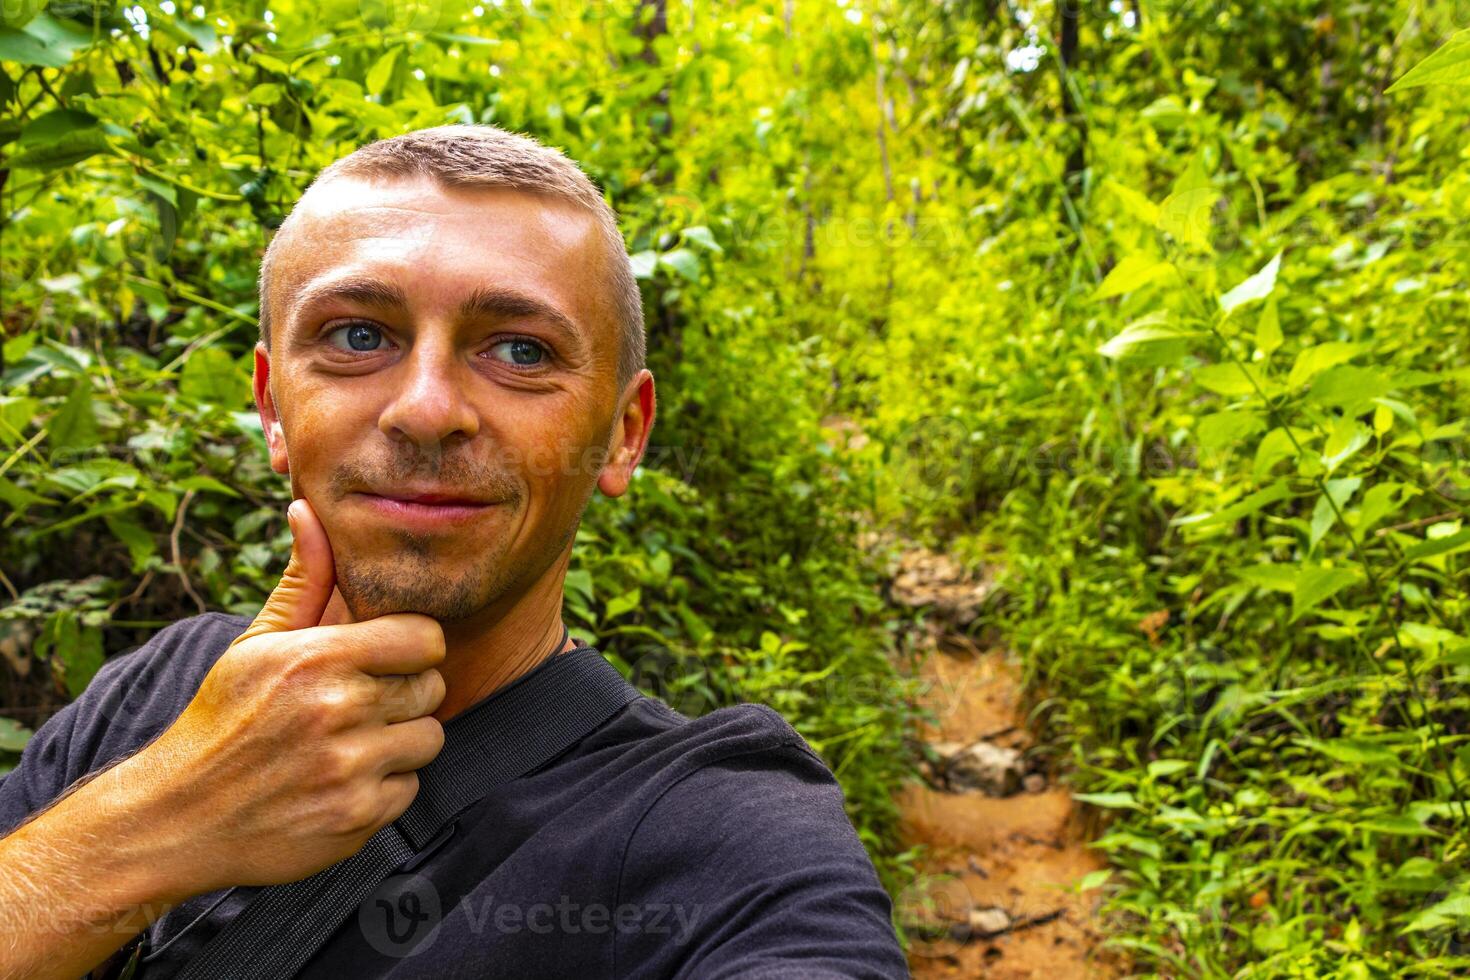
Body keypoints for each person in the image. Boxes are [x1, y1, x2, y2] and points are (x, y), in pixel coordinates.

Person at [0, 124, 907, 979]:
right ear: (273, 408)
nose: (428, 410)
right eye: (360, 336)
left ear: (624, 435)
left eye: (519, 350)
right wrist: (164, 815)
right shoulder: (158, 695)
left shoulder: (722, 828)